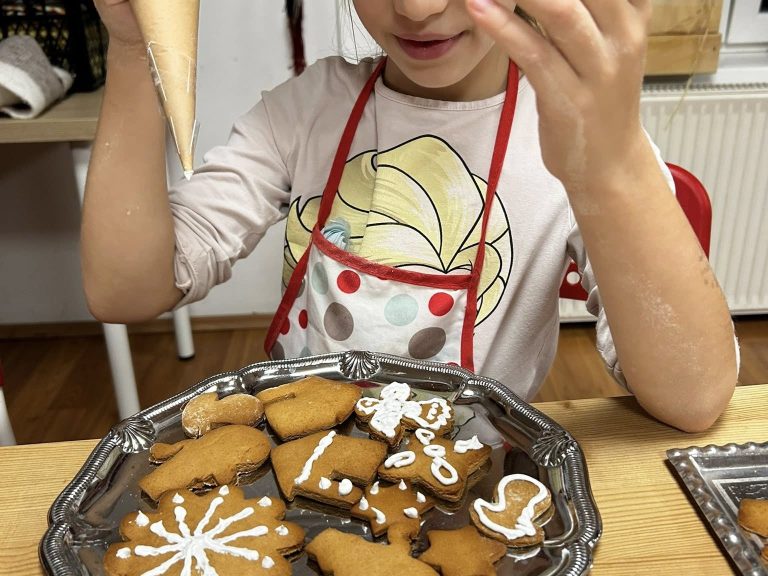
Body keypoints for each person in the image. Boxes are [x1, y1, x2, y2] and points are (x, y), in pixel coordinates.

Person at [82, 0, 738, 432]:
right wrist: (133, 47)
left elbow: (695, 398)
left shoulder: (580, 132)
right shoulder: (305, 111)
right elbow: (125, 287)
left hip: (473, 490)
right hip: (298, 462)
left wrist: (613, 169)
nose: (417, 7)